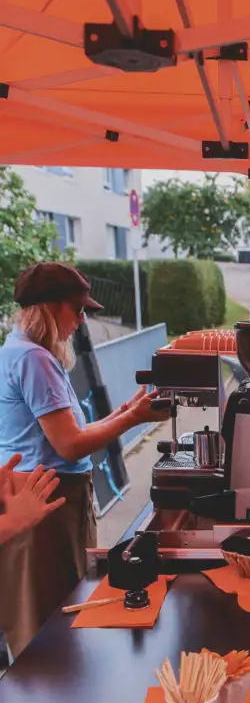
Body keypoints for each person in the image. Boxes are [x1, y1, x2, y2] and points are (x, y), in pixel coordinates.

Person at [0, 262, 168, 658]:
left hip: (40, 496)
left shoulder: (20, 351)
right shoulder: (33, 360)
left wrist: (124, 411)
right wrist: (133, 418)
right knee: (45, 625)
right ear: (48, 307)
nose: (80, 320)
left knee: (49, 614)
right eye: (76, 310)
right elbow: (70, 445)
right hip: (43, 503)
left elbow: (65, 434)